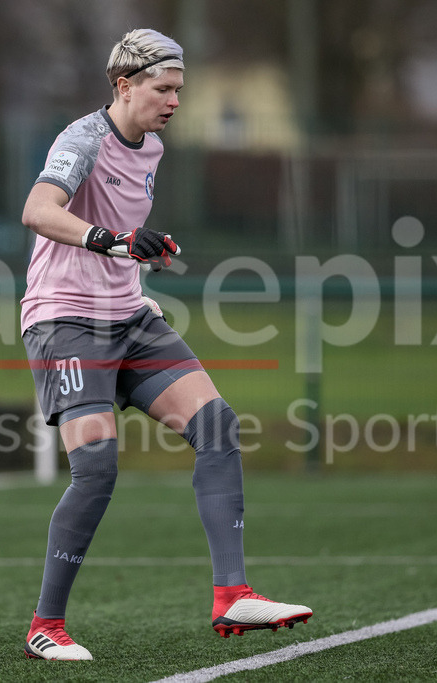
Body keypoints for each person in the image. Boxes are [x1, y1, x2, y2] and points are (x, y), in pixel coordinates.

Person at [18, 28, 312, 662]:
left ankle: (232, 594)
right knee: (96, 470)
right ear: (125, 86)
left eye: (179, 89)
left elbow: (118, 235)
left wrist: (141, 253)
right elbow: (39, 211)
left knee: (218, 426)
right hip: (66, 322)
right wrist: (115, 242)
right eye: (164, 89)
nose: (175, 101)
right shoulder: (83, 138)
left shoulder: (149, 146)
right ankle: (46, 627)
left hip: (129, 318)